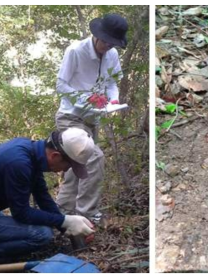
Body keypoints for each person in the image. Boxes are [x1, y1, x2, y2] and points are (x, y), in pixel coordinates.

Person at [0, 128, 96, 266]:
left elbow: (42, 196)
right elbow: (21, 213)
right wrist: (64, 221)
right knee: (41, 234)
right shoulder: (19, 162)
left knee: (42, 229)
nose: (66, 170)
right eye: (68, 166)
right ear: (55, 156)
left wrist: (65, 226)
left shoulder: (31, 152)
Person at [55, 13, 128, 223]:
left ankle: (63, 211)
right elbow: (61, 85)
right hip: (71, 116)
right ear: (96, 35)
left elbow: (113, 83)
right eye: (105, 40)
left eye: (112, 43)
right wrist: (86, 97)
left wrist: (113, 101)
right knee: (94, 157)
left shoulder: (112, 54)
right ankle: (86, 213)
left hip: (92, 119)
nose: (107, 46)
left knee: (75, 163)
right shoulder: (76, 51)